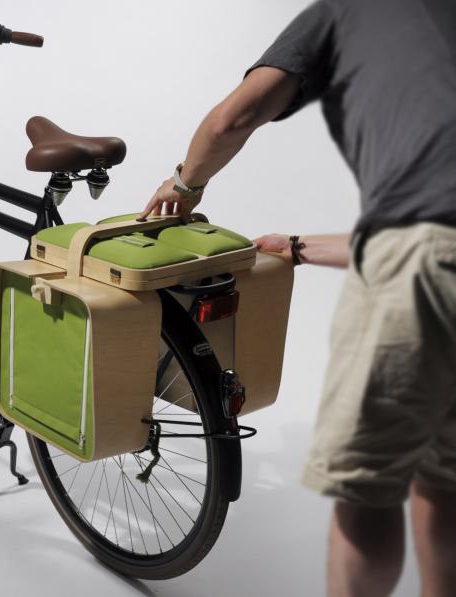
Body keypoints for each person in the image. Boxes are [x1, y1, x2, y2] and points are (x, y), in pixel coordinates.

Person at [138, 1, 456, 596]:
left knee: (365, 494)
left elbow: (233, 118)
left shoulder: (349, 10)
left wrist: (184, 184)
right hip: (431, 262)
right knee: (444, 483)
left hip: (418, 264)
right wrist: (300, 247)